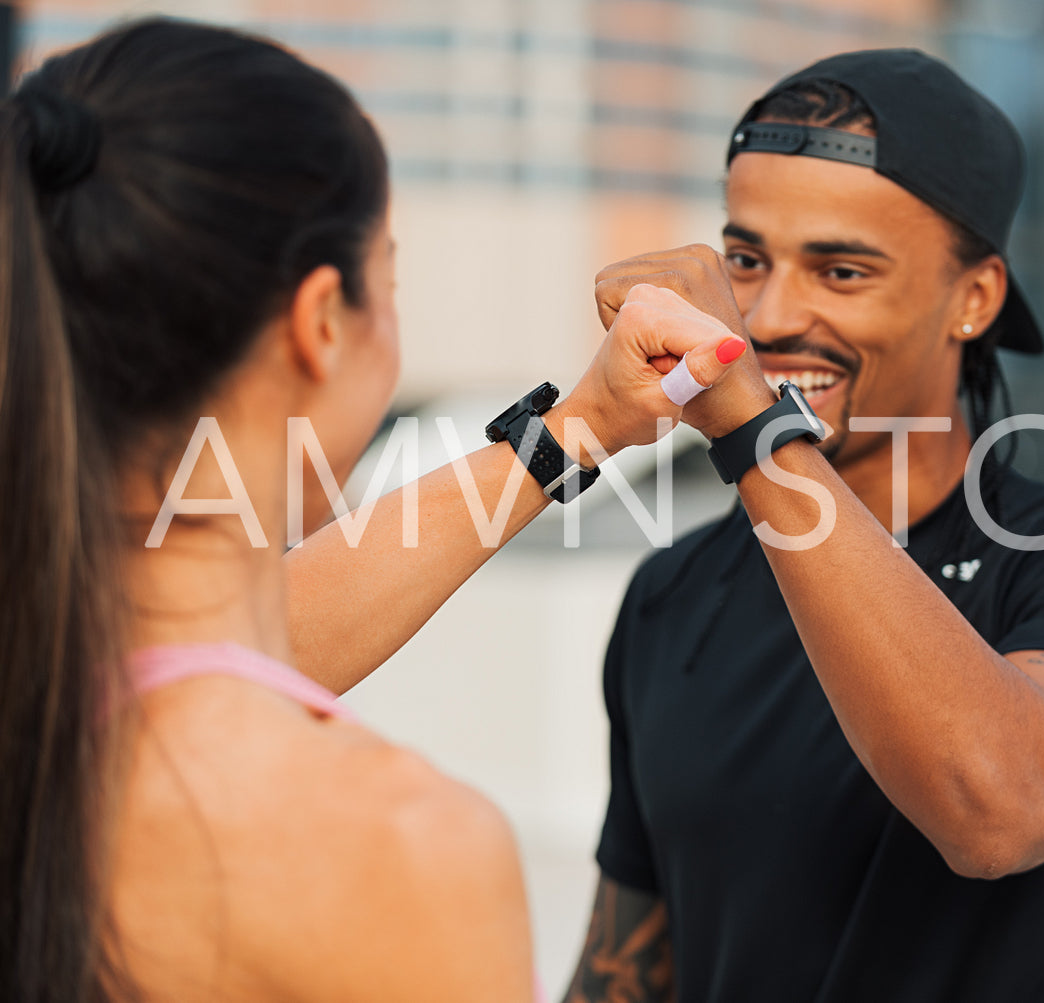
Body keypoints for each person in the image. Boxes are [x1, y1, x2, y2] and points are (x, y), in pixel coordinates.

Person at [0, 18, 745, 1002]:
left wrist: (582, 426)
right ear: (319, 322)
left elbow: (231, 648)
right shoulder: (398, 844)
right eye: (388, 280)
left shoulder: (52, 699)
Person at [563, 50, 1044, 1002]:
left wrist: (751, 429)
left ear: (974, 298)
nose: (770, 315)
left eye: (842, 269)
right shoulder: (674, 593)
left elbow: (998, 808)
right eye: (745, 260)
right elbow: (624, 968)